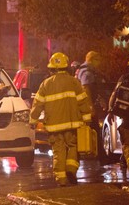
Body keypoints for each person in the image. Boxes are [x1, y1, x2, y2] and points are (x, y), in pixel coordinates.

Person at [30, 52, 92, 186]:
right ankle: (71, 169)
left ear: (52, 68)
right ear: (66, 67)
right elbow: (83, 101)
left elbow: (37, 104)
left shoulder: (46, 84)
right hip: (72, 124)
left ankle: (61, 179)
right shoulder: (74, 82)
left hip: (54, 126)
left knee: (58, 151)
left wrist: (33, 121)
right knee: (73, 147)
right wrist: (87, 118)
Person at [77, 51, 108, 164]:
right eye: (98, 60)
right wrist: (91, 107)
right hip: (87, 107)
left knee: (94, 130)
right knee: (94, 130)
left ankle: (101, 156)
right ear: (92, 59)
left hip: (87, 106)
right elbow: (86, 89)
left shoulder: (87, 71)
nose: (99, 63)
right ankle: (101, 157)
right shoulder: (87, 72)